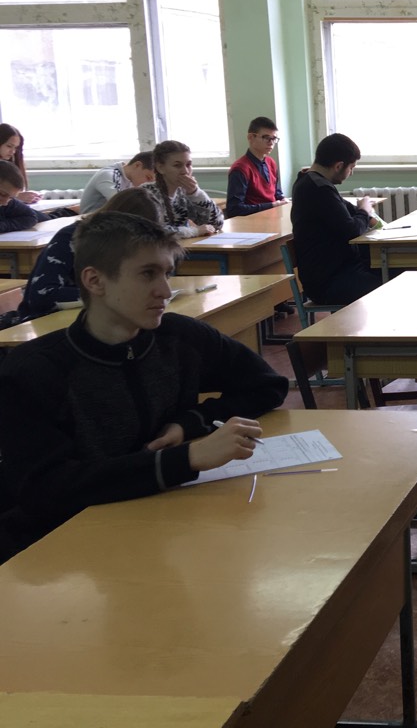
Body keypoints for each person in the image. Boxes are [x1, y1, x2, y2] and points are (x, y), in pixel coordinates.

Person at [0, 211, 288, 563]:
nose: (165, 291)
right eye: (147, 274)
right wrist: (186, 459)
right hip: (64, 551)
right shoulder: (34, 370)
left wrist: (190, 423)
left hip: (160, 519)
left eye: (167, 273)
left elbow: (266, 384)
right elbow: (45, 490)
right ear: (95, 280)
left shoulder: (179, 337)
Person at [14, 188, 162, 324]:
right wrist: (111, 294)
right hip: (46, 322)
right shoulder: (72, 238)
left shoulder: (132, 245)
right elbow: (41, 296)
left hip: (96, 319)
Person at [290, 132, 380, 305]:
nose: (351, 173)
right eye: (351, 168)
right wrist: (364, 212)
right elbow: (352, 231)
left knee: (400, 271)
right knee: (397, 282)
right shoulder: (318, 188)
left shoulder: (311, 181)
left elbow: (347, 209)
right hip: (329, 281)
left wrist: (364, 211)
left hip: (340, 271)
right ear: (338, 166)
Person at [142, 140, 223, 238]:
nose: (185, 171)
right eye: (177, 165)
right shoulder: (146, 194)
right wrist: (194, 231)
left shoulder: (184, 193)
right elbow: (154, 232)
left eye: (188, 165)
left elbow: (216, 224)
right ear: (160, 168)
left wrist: (195, 193)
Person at [225, 116, 287, 218]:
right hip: (251, 222)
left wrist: (283, 200)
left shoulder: (271, 163)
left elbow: (277, 194)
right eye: (266, 138)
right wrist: (271, 205)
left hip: (272, 217)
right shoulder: (240, 168)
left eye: (274, 138)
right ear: (251, 137)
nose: (271, 142)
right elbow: (234, 209)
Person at [79, 151, 155, 214]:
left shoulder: (131, 179)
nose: (148, 183)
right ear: (137, 165)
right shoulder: (109, 175)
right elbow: (122, 205)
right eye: (148, 177)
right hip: (91, 221)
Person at [0, 161, 41, 234]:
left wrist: (3, 226)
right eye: (2, 194)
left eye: (11, 198)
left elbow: (31, 217)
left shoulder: (8, 203)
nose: (5, 203)